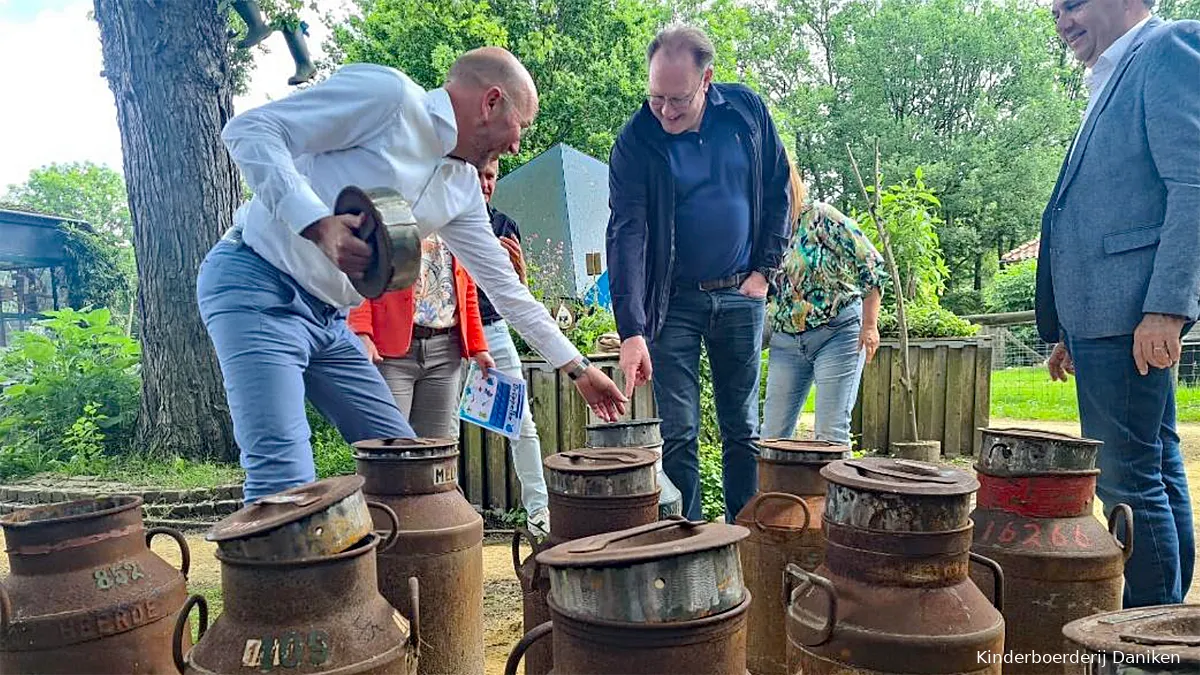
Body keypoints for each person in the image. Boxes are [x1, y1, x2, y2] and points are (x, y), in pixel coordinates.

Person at [198, 48, 626, 503]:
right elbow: (250, 130)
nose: (517, 145)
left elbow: (506, 290)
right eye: (520, 125)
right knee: (284, 478)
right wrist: (316, 223)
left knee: (408, 468)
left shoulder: (460, 188)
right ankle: (278, 565)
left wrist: (578, 369)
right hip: (257, 285)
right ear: (491, 102)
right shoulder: (389, 99)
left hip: (328, 319)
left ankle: (396, 575)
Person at [1036, 0, 1200, 607]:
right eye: (1054, 11)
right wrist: (1065, 329)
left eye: (1073, 4)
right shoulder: (1113, 75)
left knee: (1131, 482)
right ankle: (1171, 627)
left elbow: (1194, 185)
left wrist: (1167, 309)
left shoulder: (1166, 49)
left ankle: (1147, 642)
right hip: (1103, 317)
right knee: (1154, 466)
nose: (1062, 21)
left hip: (1132, 315)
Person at [607, 24, 791, 522]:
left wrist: (764, 272)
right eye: (655, 97)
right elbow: (626, 232)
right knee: (681, 431)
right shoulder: (636, 141)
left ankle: (746, 539)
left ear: (707, 79)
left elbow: (780, 190)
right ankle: (688, 544)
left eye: (678, 99)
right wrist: (632, 328)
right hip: (674, 304)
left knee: (742, 429)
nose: (665, 110)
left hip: (741, 293)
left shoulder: (747, 113)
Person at [762, 159, 884, 445]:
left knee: (830, 434)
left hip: (838, 334)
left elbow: (872, 265)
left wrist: (869, 325)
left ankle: (838, 491)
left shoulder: (820, 217)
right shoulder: (762, 234)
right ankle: (779, 491)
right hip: (786, 341)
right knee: (772, 437)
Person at [347, 233, 493, 439]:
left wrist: (479, 347)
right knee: (387, 444)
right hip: (391, 350)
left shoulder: (454, 216)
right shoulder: (390, 208)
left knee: (433, 449)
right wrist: (362, 331)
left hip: (445, 350)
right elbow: (362, 273)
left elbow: (466, 285)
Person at [473, 158, 551, 537]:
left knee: (521, 422)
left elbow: (518, 297)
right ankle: (448, 510)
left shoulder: (505, 227)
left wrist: (519, 272)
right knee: (443, 429)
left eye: (490, 176)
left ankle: (539, 514)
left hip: (494, 328)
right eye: (478, 175)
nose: (485, 183)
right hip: (453, 335)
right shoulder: (444, 221)